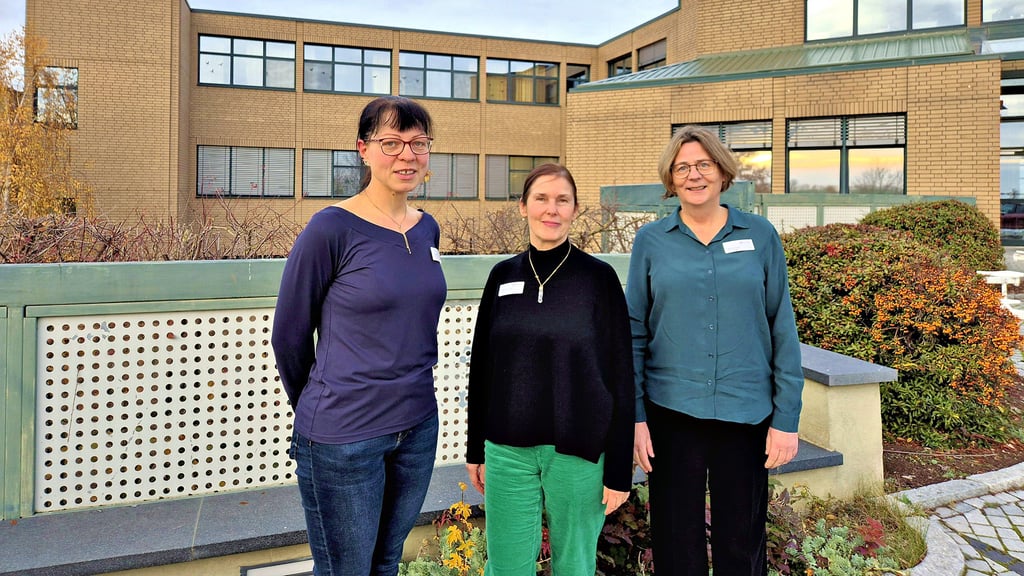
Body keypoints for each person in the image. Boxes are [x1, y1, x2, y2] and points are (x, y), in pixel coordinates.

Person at [272, 96, 446, 576]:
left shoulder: (427, 228)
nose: (406, 155)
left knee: (386, 564)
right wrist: (322, 402)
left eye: (418, 143)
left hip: (416, 428)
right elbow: (289, 335)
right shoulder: (331, 228)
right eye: (391, 143)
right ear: (363, 150)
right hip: (343, 437)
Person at [627, 125, 804, 576]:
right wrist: (636, 416)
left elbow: (781, 327)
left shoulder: (761, 236)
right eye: (682, 167)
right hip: (671, 413)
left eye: (703, 164)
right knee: (674, 540)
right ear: (670, 179)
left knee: (741, 543)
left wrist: (786, 419)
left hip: (745, 414)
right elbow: (633, 333)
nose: (694, 175)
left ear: (722, 171)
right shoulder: (651, 241)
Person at [465, 163, 635, 576]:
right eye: (541, 198)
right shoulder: (502, 276)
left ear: (575, 210)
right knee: (506, 567)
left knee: (574, 566)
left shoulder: (599, 279)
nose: (551, 209)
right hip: (507, 450)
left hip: (578, 450)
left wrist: (618, 468)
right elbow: (482, 366)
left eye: (562, 200)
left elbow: (621, 374)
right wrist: (475, 448)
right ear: (523, 207)